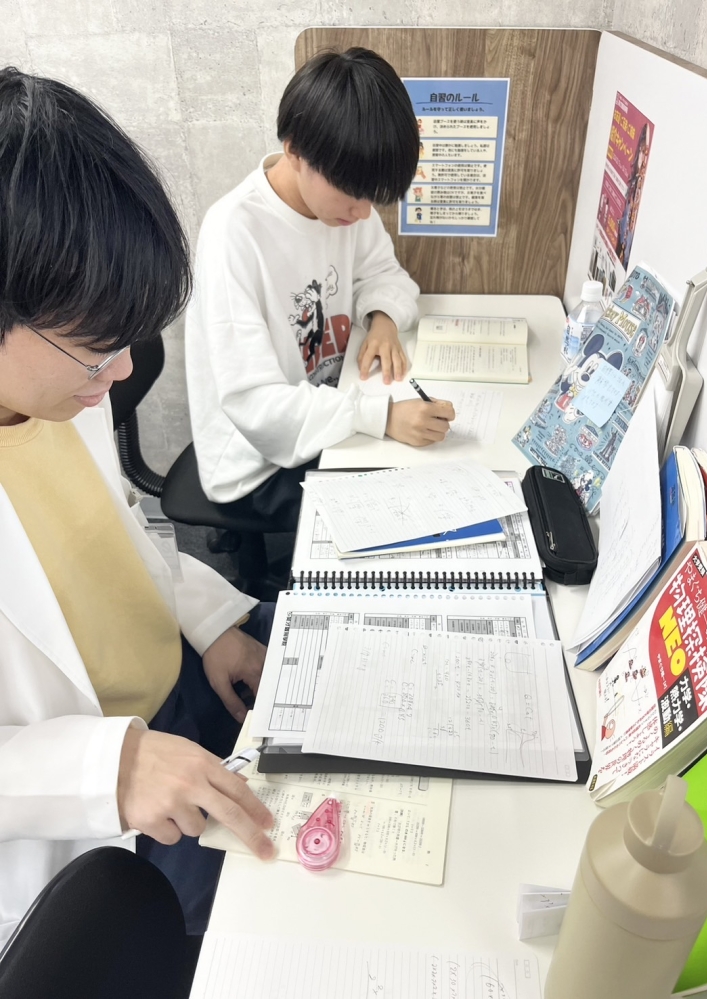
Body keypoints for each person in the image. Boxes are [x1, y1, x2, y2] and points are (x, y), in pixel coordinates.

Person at [0, 67, 277, 946]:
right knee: (263, 924)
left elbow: (119, 534)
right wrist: (108, 768)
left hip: (181, 680)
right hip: (95, 800)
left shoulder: (52, 394)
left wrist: (214, 623)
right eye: (96, 349)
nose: (121, 372)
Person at [185, 48, 455, 531]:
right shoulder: (234, 232)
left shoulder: (344, 207)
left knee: (431, 475)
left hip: (334, 408)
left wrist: (384, 320)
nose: (363, 213)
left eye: (372, 197)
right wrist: (382, 417)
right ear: (294, 151)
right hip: (259, 464)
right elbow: (256, 406)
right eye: (351, 194)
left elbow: (385, 274)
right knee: (408, 511)